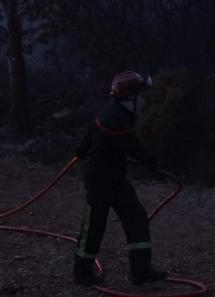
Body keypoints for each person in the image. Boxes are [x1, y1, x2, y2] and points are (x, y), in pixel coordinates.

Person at [73, 71, 168, 286]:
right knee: (94, 227)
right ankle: (81, 273)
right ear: (129, 97)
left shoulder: (115, 111)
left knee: (137, 219)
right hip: (99, 182)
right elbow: (132, 145)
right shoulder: (115, 118)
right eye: (139, 94)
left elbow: (91, 131)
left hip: (116, 179)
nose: (143, 99)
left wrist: (81, 150)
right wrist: (151, 162)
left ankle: (141, 272)